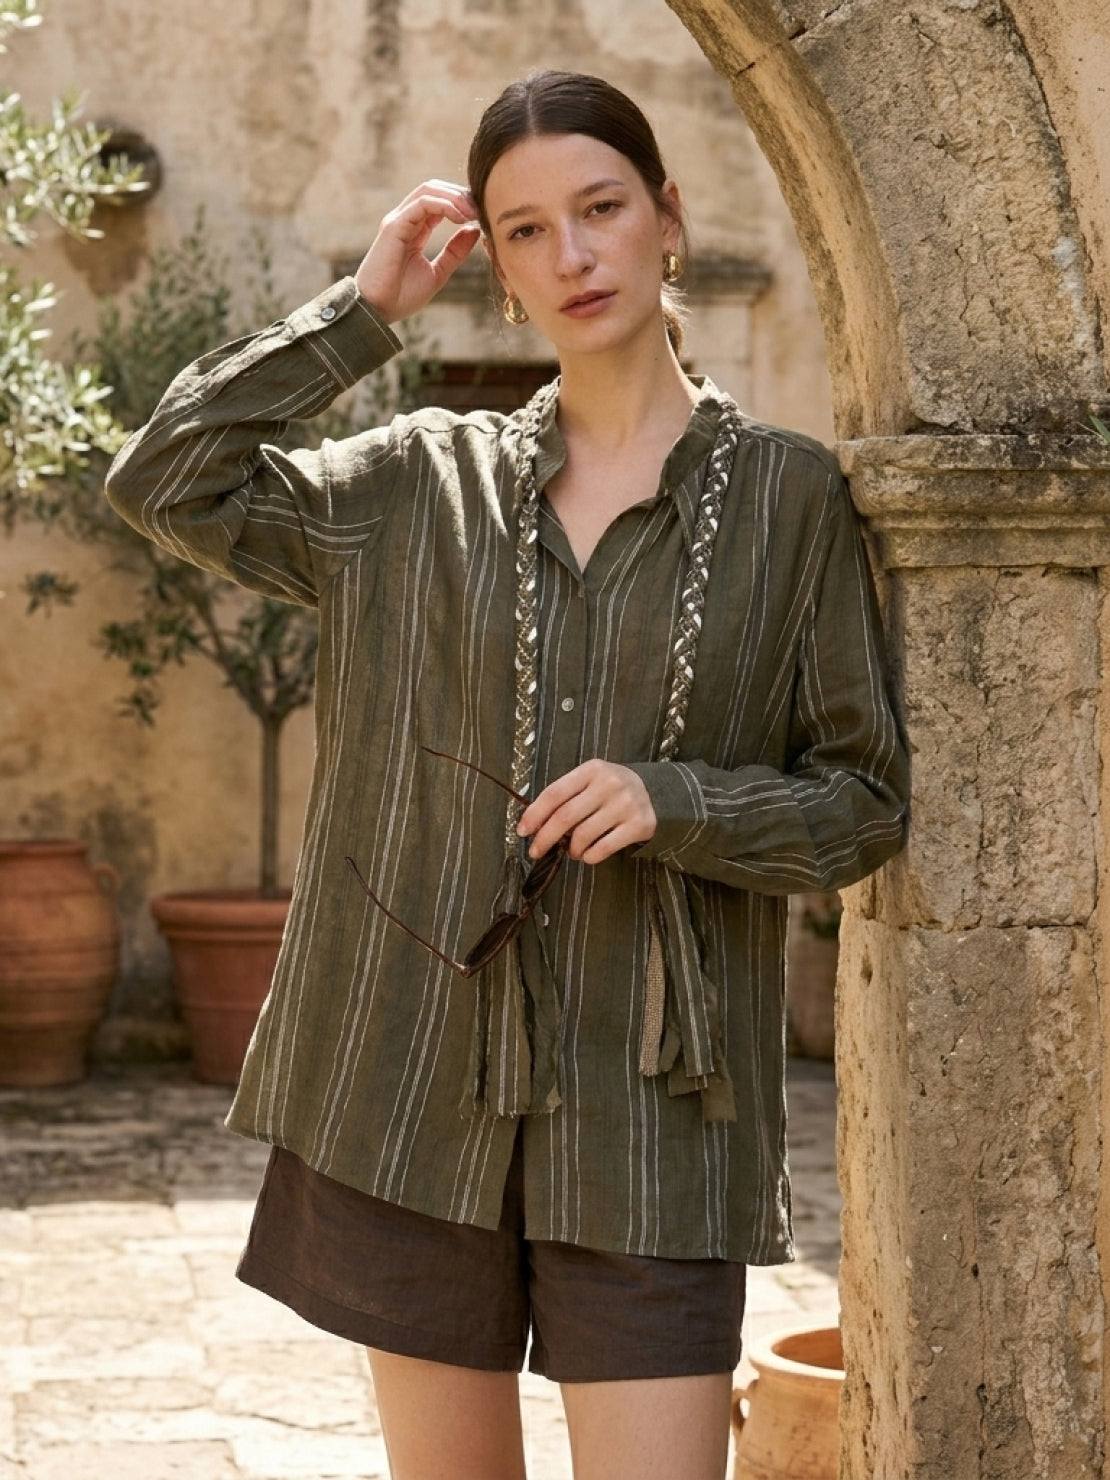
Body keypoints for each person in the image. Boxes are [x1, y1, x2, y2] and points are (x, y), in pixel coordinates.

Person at [104, 66, 910, 1480]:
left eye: (601, 208)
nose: (572, 255)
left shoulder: (792, 500)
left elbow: (861, 800)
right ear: (495, 266)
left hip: (658, 1120)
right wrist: (362, 315)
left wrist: (677, 801)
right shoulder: (414, 485)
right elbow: (164, 480)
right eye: (526, 230)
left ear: (668, 216)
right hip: (415, 1092)